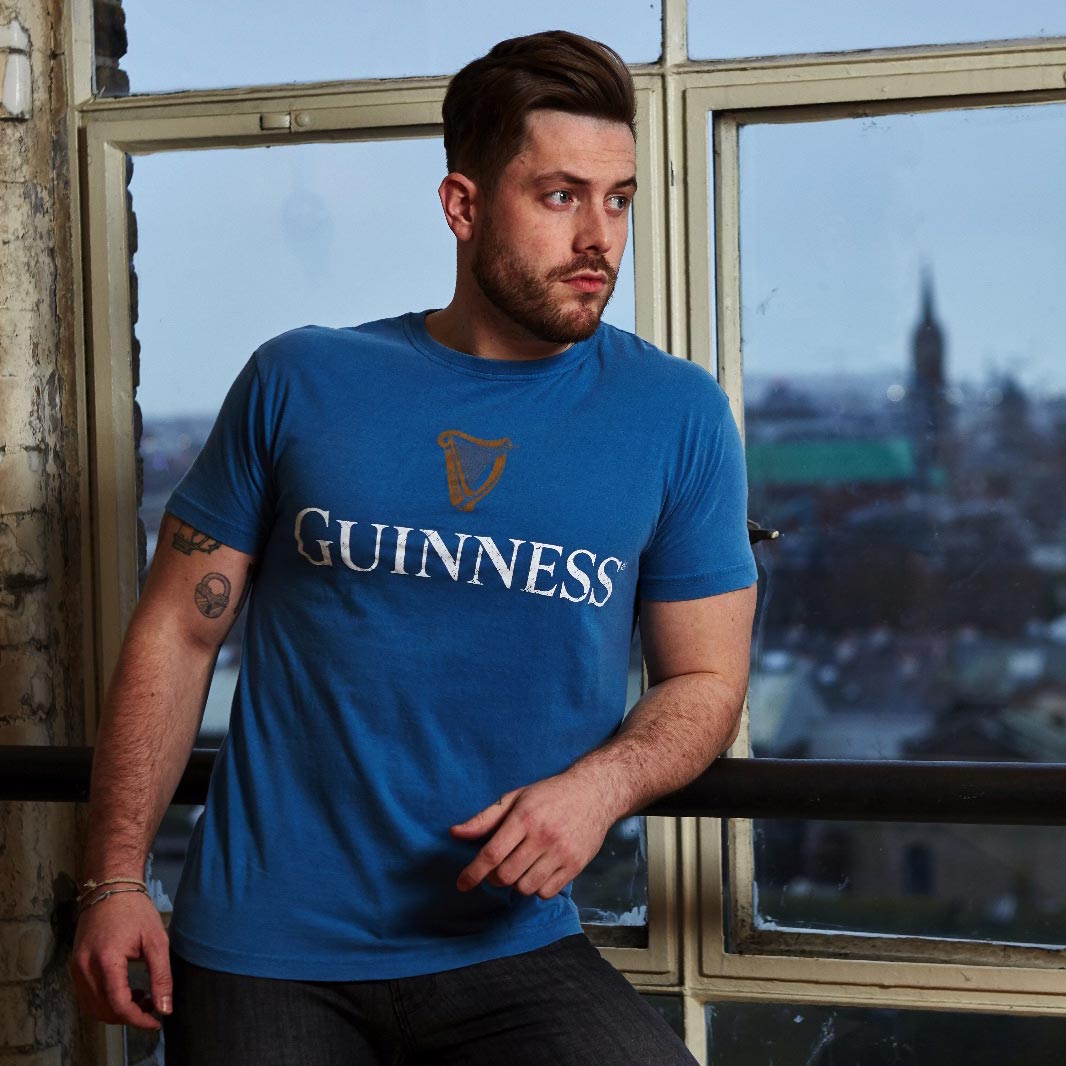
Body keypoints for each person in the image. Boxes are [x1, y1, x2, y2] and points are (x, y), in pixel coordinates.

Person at [70, 29, 758, 1065]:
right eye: (560, 194)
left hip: (507, 941)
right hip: (265, 949)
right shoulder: (299, 381)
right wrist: (117, 878)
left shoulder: (677, 415)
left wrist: (598, 788)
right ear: (463, 206)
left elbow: (705, 676)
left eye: (618, 199)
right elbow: (177, 632)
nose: (599, 238)